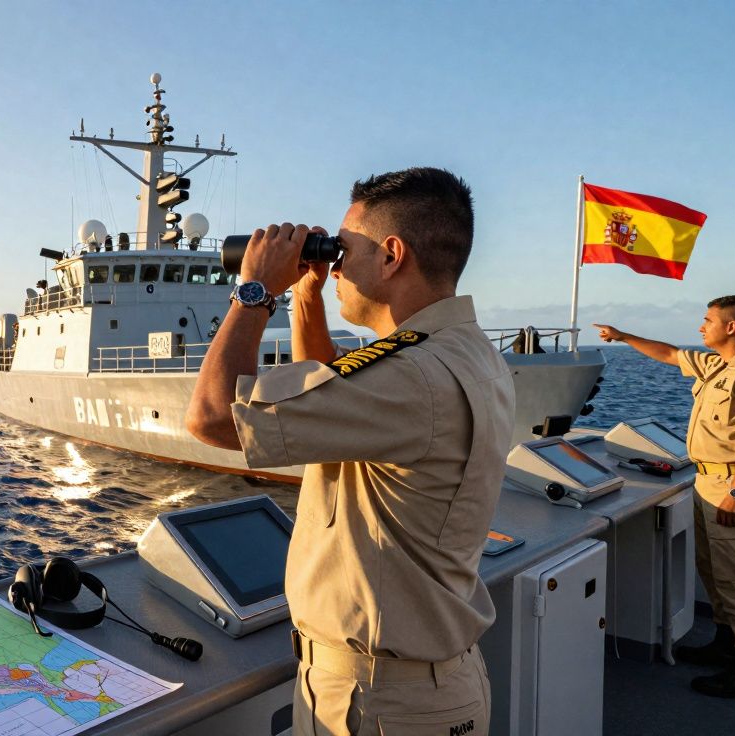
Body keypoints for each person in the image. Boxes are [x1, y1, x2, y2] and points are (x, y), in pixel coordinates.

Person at [187, 168, 514, 735]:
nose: (335, 263)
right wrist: (307, 296)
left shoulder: (414, 377)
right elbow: (333, 387)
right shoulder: (458, 352)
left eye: (345, 248)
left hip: (383, 704)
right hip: (416, 688)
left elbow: (213, 417)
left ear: (391, 256)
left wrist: (257, 289)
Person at [594, 295, 735, 698]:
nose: (702, 327)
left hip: (732, 485)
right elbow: (667, 352)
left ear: (731, 327)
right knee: (713, 570)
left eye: (708, 320)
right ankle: (727, 643)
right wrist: (622, 335)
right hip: (705, 482)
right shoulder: (718, 364)